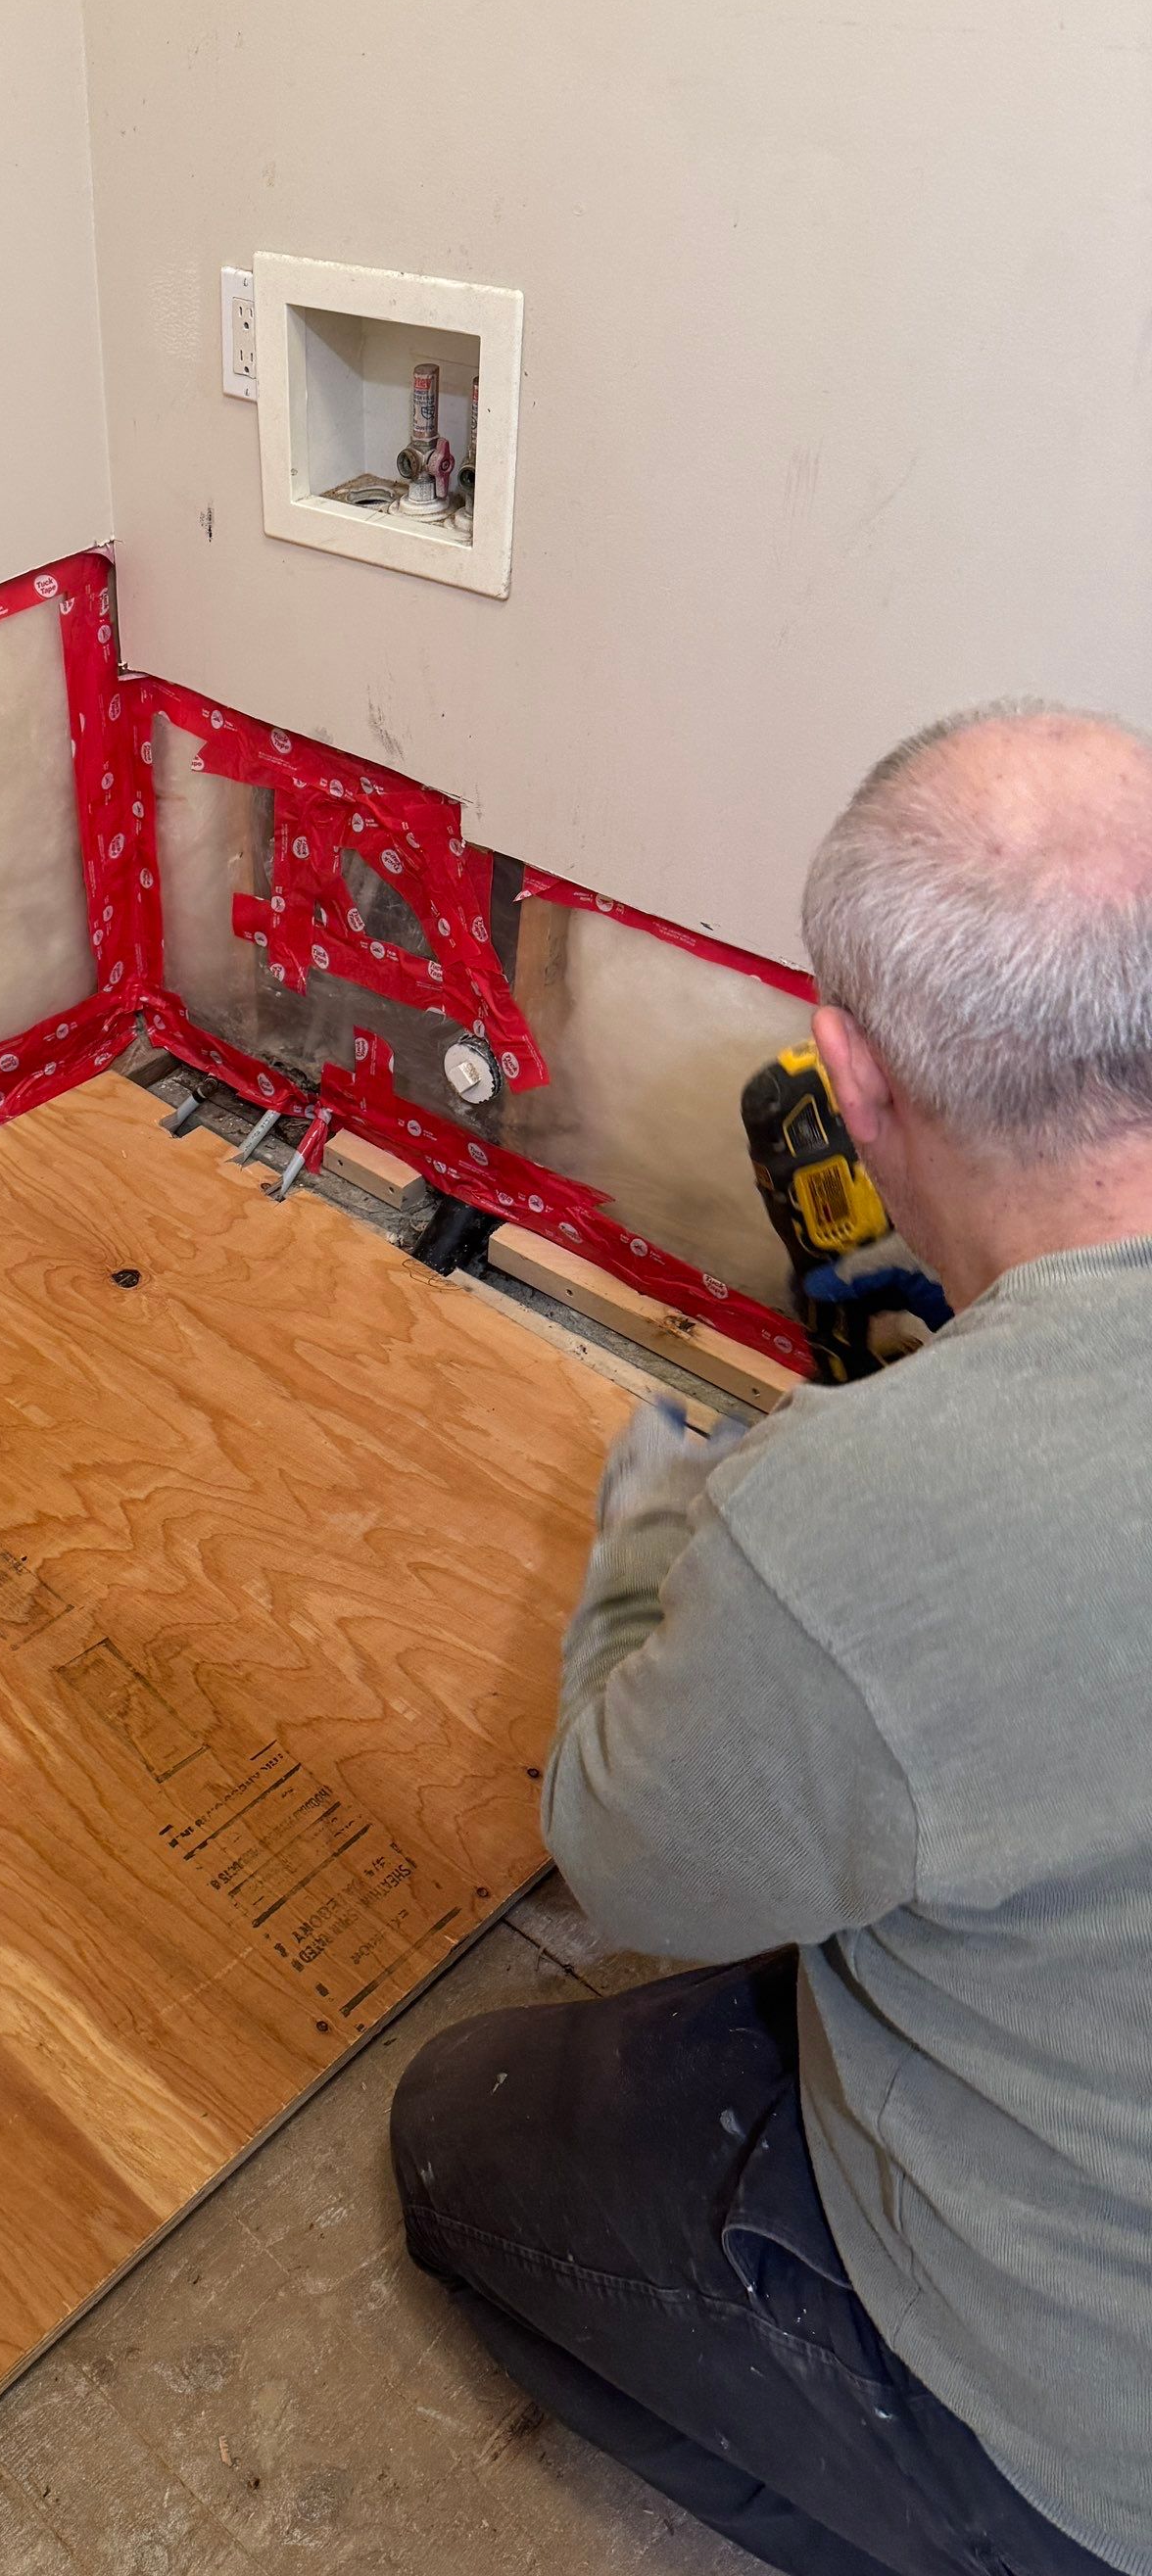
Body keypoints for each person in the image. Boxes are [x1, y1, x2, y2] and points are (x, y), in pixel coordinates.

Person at [392, 705, 1152, 2576]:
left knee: (460, 2133)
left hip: (1100, 2452)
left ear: (851, 1080)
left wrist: (677, 1512)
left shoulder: (858, 1532)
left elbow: (627, 1854)